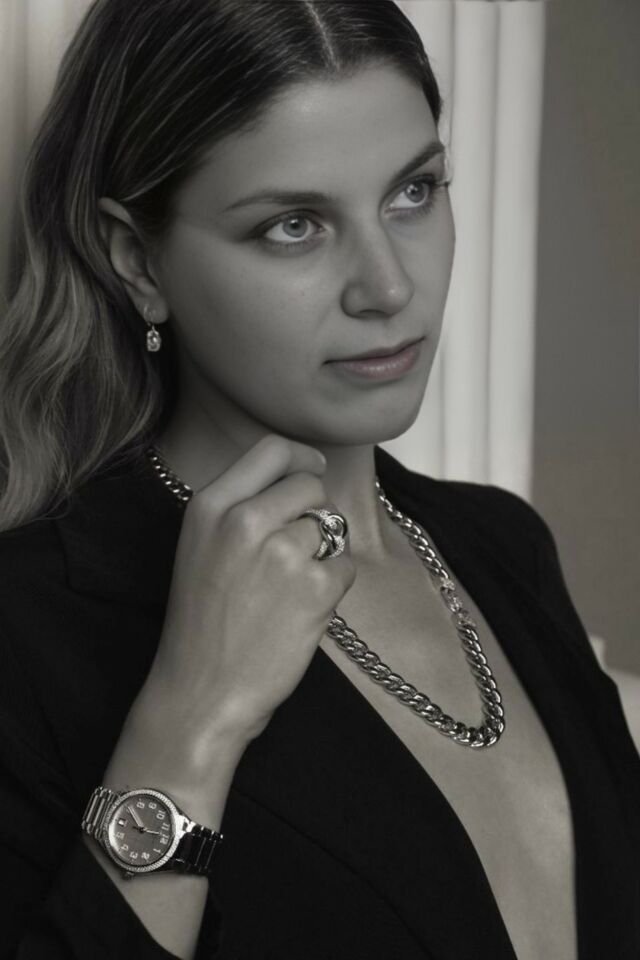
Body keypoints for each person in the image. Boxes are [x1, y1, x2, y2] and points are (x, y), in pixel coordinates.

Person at [0, 1, 638, 958]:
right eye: (294, 225)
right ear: (138, 261)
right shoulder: (29, 630)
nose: (389, 287)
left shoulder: (504, 546)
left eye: (414, 191)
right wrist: (192, 721)